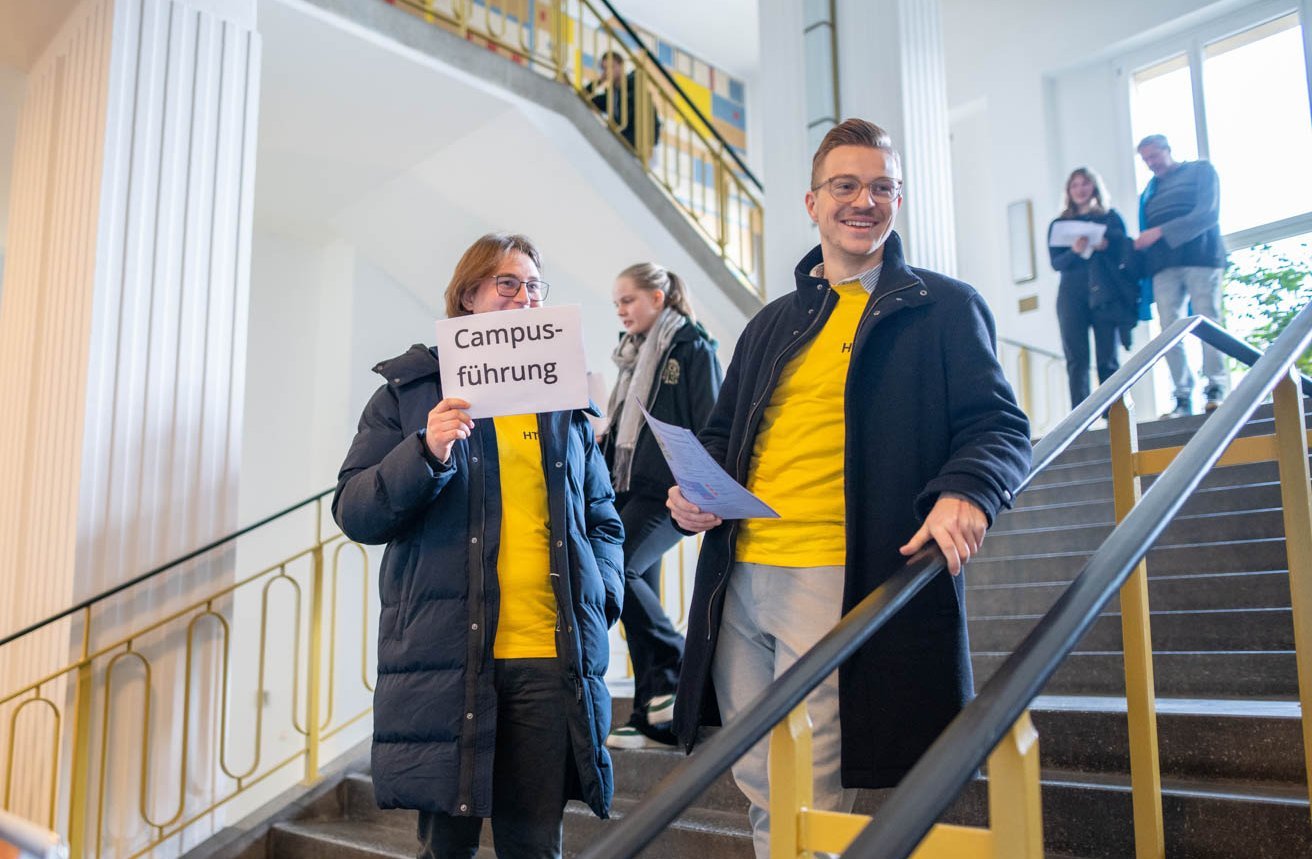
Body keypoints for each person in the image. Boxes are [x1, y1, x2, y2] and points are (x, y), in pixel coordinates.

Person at [667, 119, 1032, 858]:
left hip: (838, 575)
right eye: (846, 185)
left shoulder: (942, 308)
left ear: (898, 199)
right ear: (811, 201)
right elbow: (722, 432)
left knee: (809, 784)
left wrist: (968, 489)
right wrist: (691, 490)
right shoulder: (771, 323)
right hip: (738, 573)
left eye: (881, 187)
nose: (864, 200)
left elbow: (1000, 426)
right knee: (758, 773)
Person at [332, 233, 625, 859]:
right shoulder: (410, 393)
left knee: (535, 847)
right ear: (469, 297)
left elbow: (602, 518)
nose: (525, 299)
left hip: (549, 660)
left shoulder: (563, 401)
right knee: (447, 851)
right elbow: (356, 510)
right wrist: (426, 451)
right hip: (449, 660)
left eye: (536, 288)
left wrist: (600, 596)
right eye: (508, 284)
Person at [599, 263, 722, 749]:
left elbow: (710, 420)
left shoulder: (691, 346)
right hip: (628, 486)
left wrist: (701, 487)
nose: (621, 311)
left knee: (618, 568)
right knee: (633, 592)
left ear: (657, 297)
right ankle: (656, 714)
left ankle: (676, 662)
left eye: (627, 300)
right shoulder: (631, 356)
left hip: (670, 490)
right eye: (616, 304)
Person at [1134, 133, 1229, 417]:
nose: (1151, 163)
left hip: (1201, 256)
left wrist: (1161, 231)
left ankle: (1216, 387)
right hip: (1164, 265)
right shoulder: (1150, 191)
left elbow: (1207, 214)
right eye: (1146, 159)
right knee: (1169, 330)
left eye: (1154, 156)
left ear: (1167, 149)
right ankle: (1182, 395)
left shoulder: (1201, 172)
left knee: (1208, 319)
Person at [1048, 167, 1138, 409]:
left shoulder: (1110, 218)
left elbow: (1126, 252)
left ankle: (1113, 415)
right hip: (1072, 294)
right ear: (1069, 191)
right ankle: (1081, 416)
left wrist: (1106, 244)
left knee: (1107, 357)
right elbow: (1056, 263)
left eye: (1084, 184)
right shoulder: (1060, 223)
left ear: (1094, 187)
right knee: (1076, 357)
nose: (1080, 189)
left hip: (1106, 293)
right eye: (1075, 185)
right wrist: (1075, 251)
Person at [584, 50, 660, 154]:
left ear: (621, 66)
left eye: (612, 67)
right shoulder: (612, 95)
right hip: (625, 143)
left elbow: (644, 118)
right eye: (604, 69)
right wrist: (599, 81)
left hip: (643, 145)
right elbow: (584, 98)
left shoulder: (635, 86)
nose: (608, 72)